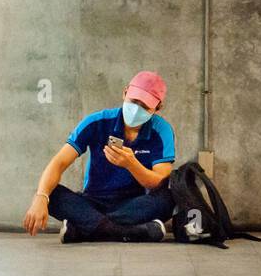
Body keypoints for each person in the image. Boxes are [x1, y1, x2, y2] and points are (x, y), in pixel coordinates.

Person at [22, 71, 176, 243]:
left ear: (157, 108)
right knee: (51, 194)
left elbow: (159, 183)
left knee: (167, 198)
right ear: (125, 93)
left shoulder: (162, 131)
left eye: (145, 106)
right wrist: (41, 197)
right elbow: (59, 162)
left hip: (134, 204)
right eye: (134, 101)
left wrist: (132, 164)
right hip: (92, 201)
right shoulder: (97, 122)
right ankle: (129, 232)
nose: (136, 110)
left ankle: (83, 229)